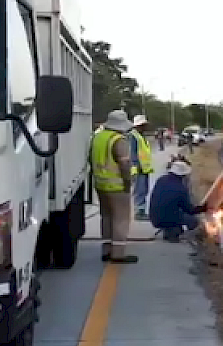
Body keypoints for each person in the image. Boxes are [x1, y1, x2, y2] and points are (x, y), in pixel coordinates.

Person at [89, 110, 140, 264]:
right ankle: (118, 253)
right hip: (117, 186)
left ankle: (106, 250)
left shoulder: (98, 137)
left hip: (100, 184)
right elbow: (124, 164)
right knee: (121, 219)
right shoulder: (118, 140)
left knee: (106, 217)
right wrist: (127, 183)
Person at [149, 155, 208, 242]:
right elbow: (189, 210)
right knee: (193, 221)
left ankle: (169, 230)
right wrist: (203, 208)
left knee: (173, 213)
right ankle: (173, 232)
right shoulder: (180, 188)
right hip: (167, 218)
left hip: (154, 218)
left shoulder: (160, 180)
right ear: (182, 175)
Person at [129, 114, 154, 220]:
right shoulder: (133, 136)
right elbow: (132, 153)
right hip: (139, 168)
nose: (145, 127)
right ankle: (139, 211)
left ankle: (141, 210)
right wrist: (136, 166)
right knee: (140, 190)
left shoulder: (140, 136)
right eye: (144, 125)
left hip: (144, 168)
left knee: (144, 189)